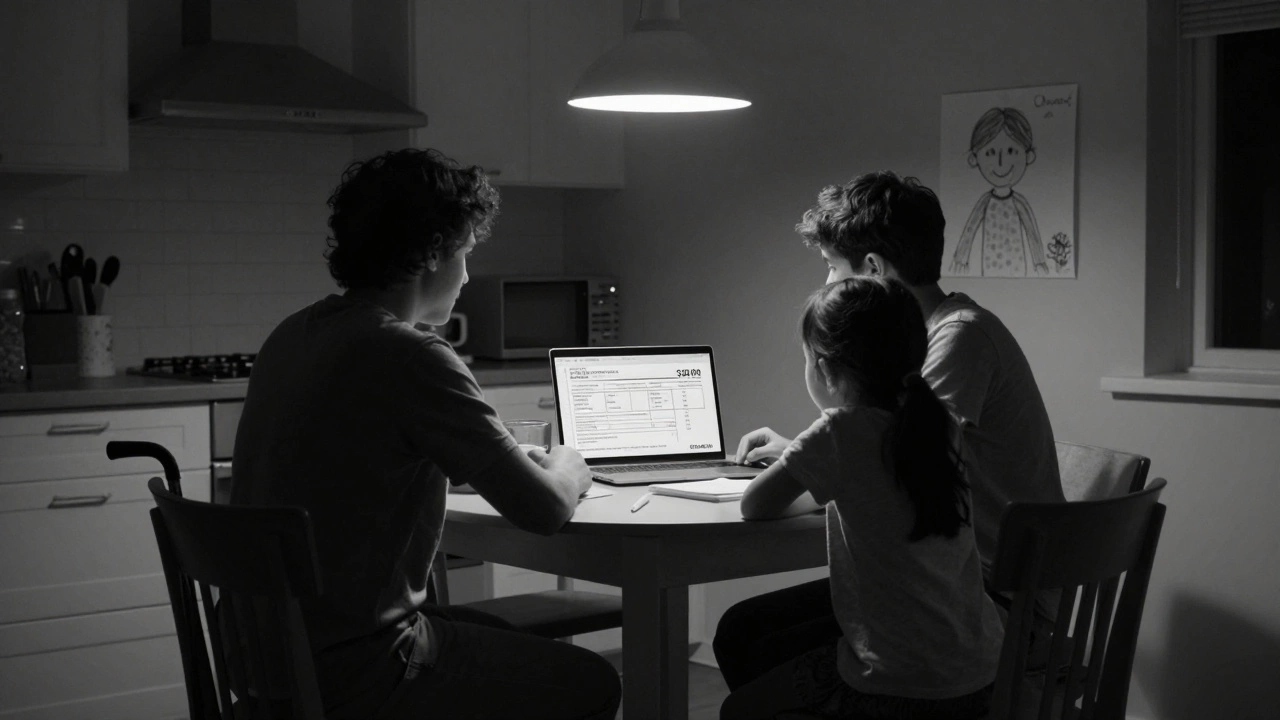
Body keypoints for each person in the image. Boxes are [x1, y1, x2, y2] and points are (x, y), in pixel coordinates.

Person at [231, 148, 621, 719]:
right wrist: (569, 461)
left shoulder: (295, 334)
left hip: (266, 659)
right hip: (359, 668)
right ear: (434, 251)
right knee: (590, 681)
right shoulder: (410, 354)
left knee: (486, 632)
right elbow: (544, 510)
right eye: (464, 252)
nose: (466, 275)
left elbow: (360, 476)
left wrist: (497, 461)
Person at [714, 171, 1062, 687]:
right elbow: (890, 449)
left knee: (757, 644)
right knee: (746, 631)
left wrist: (814, 464)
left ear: (873, 269)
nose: (828, 283)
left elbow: (895, 462)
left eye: (833, 268)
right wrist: (802, 455)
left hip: (978, 600)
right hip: (951, 579)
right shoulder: (938, 334)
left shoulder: (957, 339)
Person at [719, 277, 1003, 720]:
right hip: (978, 673)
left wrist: (807, 465)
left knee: (740, 709)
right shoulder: (935, 421)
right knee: (753, 637)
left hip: (895, 687)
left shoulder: (838, 430)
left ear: (826, 368)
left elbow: (754, 504)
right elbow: (876, 485)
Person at [949, 107, 1049, 276]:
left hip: (1019, 270)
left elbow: (1032, 232)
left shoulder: (1019, 202)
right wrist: (960, 257)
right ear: (974, 158)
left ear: (1028, 156)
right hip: (989, 268)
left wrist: (1039, 261)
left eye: (1011, 151)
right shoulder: (984, 202)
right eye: (990, 152)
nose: (1001, 162)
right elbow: (970, 229)